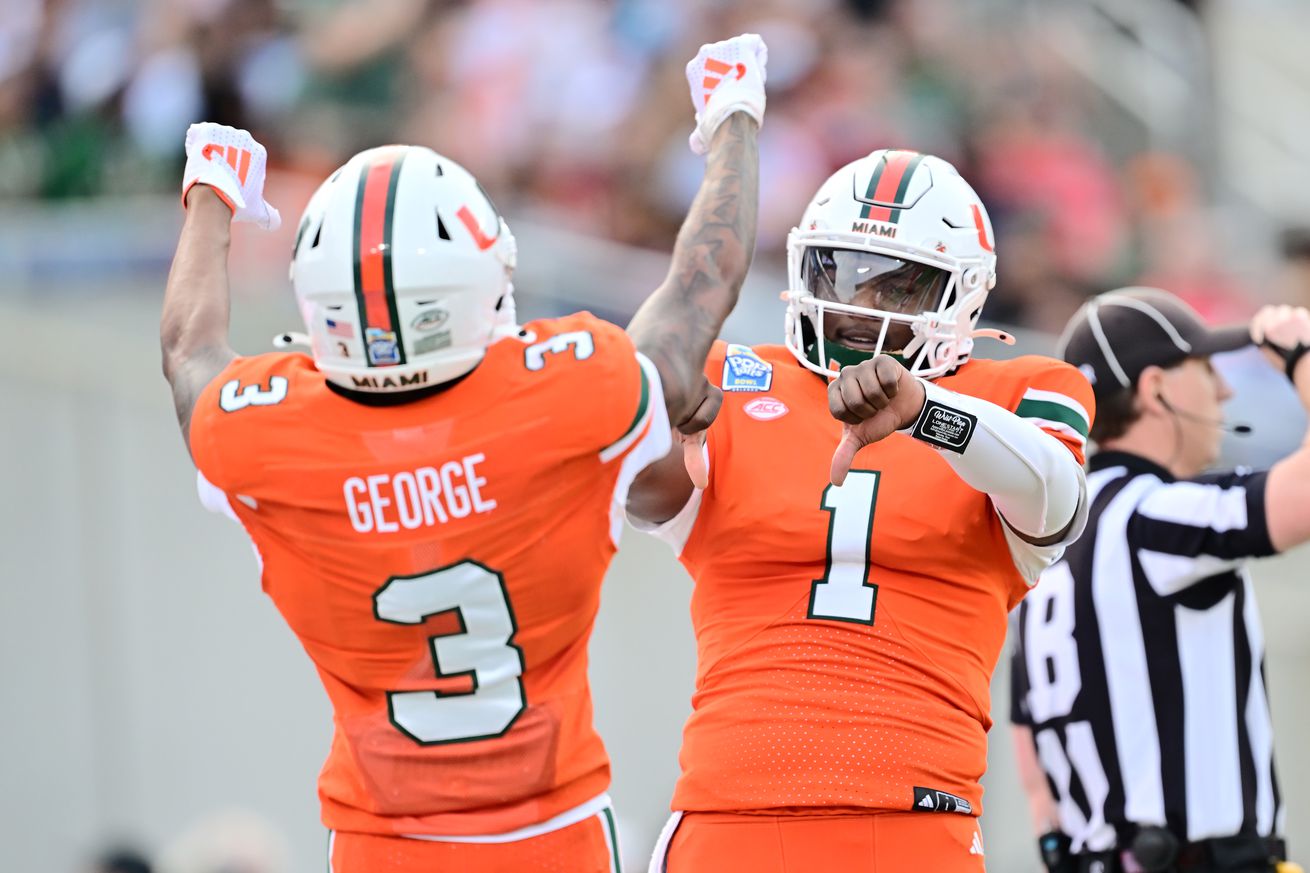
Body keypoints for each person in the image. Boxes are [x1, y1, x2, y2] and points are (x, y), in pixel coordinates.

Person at [158, 34, 767, 873]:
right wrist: (735, 117)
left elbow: (190, 351)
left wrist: (212, 191)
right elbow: (703, 286)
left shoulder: (266, 432)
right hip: (556, 834)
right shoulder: (569, 390)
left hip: (380, 843)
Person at [626, 149, 1095, 872]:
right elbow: (630, 484)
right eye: (839, 272)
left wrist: (924, 412)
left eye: (898, 285)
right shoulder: (730, 378)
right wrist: (649, 413)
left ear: (962, 294)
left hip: (913, 814)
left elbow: (1057, 501)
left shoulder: (1022, 390)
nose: (858, 305)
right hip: (727, 807)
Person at [1008, 288, 1310, 873]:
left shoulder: (1047, 536)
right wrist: (1301, 359)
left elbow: (1029, 757)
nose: (1224, 390)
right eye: (1205, 369)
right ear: (1156, 389)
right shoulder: (1153, 513)